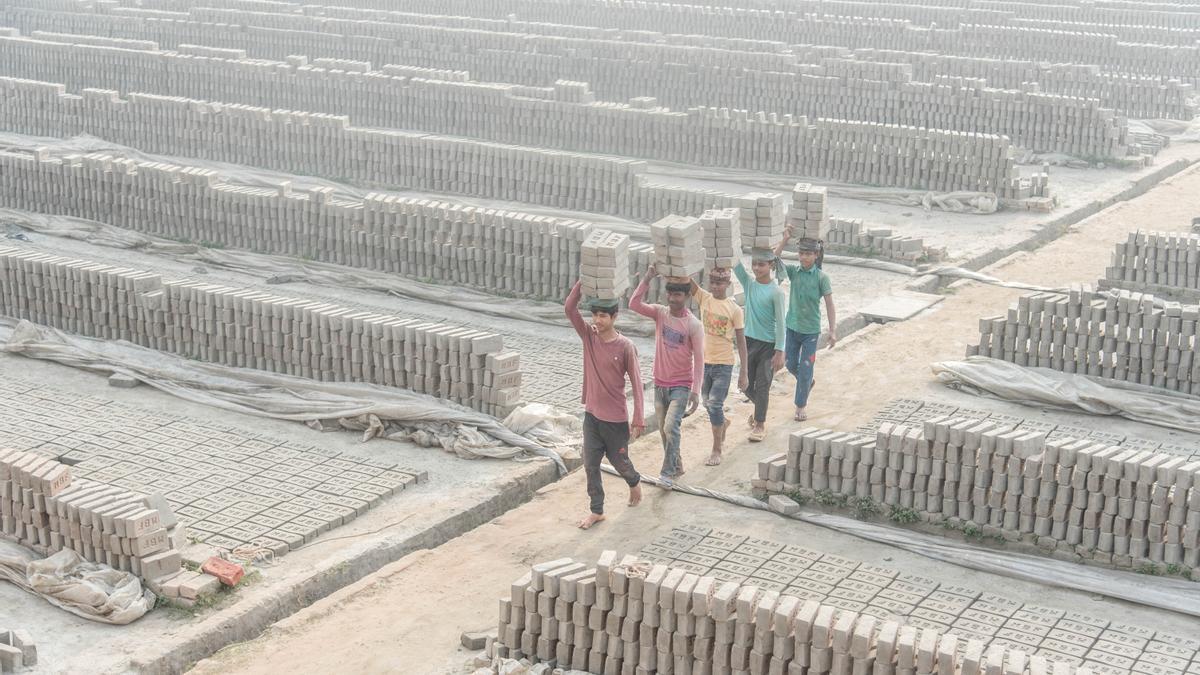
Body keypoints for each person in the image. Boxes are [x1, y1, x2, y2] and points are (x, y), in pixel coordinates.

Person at [565, 280, 645, 530]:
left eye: (603, 316)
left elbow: (638, 383)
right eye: (595, 315)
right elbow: (569, 308)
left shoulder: (625, 347)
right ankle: (597, 510)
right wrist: (584, 281)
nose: (597, 321)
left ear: (614, 316)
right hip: (592, 416)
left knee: (620, 462)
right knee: (590, 464)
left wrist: (638, 418)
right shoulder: (588, 336)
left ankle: (634, 482)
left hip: (615, 419)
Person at [630, 265, 704, 488]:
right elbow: (634, 304)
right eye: (670, 294)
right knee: (664, 432)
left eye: (678, 294)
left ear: (687, 296)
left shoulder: (693, 325)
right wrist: (647, 277)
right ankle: (677, 464)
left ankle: (667, 473)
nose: (673, 298)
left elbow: (699, 359)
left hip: (681, 385)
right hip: (660, 384)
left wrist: (696, 391)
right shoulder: (660, 314)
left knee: (671, 426)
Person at [773, 228, 837, 421]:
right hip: (792, 327)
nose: (803, 257)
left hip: (810, 331)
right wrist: (784, 239)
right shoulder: (794, 272)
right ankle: (807, 381)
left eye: (808, 254)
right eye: (801, 253)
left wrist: (832, 330)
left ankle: (800, 406)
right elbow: (774, 259)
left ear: (816, 255)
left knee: (806, 366)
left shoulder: (821, 278)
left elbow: (829, 304)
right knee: (791, 364)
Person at [689, 268, 748, 466]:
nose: (715, 286)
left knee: (714, 404)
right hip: (705, 363)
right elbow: (688, 282)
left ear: (728, 285)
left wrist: (744, 373)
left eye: (719, 283)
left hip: (724, 364)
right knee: (707, 403)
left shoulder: (734, 310)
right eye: (712, 282)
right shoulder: (704, 299)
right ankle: (723, 423)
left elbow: (741, 343)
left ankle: (717, 450)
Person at [733, 249, 787, 442]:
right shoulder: (749, 285)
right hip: (748, 342)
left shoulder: (776, 293)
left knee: (763, 385)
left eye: (761, 264)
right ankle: (759, 410)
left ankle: (760, 424)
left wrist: (780, 351)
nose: (756, 268)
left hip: (769, 345)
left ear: (771, 266)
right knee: (745, 384)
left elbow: (781, 323)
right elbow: (735, 264)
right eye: (754, 263)